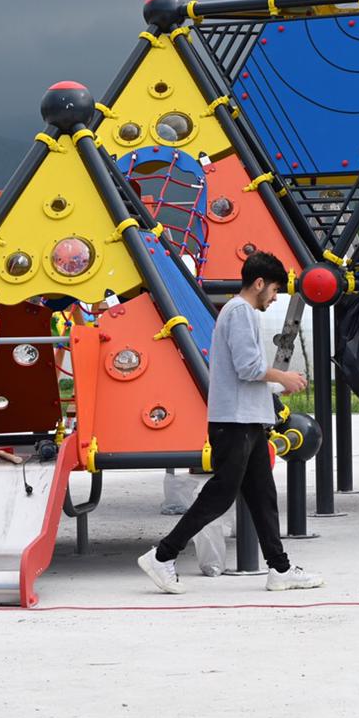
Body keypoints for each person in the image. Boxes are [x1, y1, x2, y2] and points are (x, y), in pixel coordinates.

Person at [138, 251, 324, 593]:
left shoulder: (240, 312)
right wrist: (283, 376)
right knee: (221, 495)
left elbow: (245, 372)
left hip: (246, 420)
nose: (275, 298)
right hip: (234, 421)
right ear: (259, 283)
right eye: (274, 290)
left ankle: (280, 569)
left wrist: (277, 382)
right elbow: (248, 368)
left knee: (263, 496)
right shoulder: (241, 312)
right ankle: (163, 556)